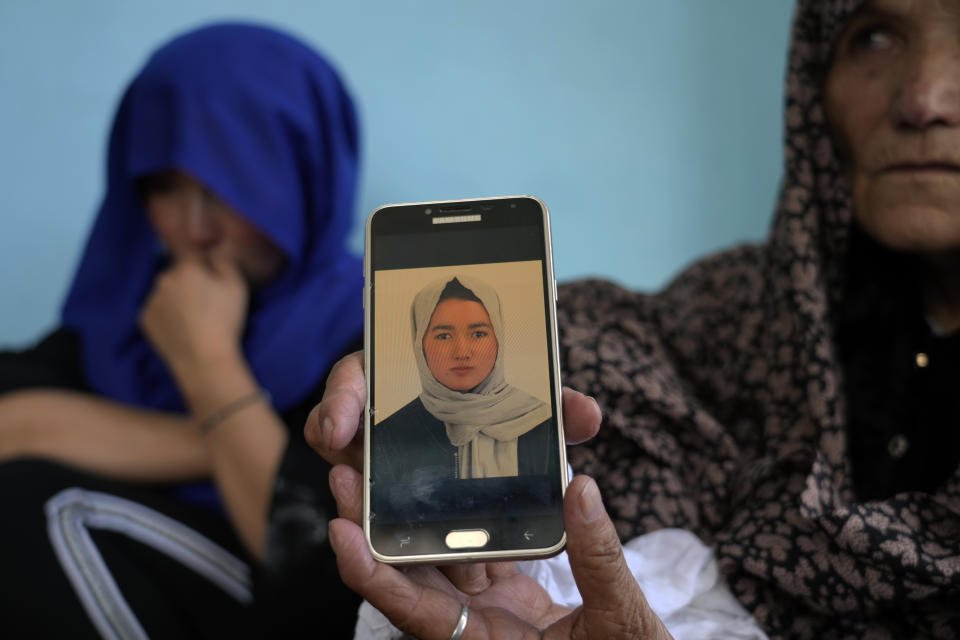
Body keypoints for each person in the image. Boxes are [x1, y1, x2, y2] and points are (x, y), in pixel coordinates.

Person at [306, 0, 960, 637]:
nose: (923, 99)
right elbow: (587, 339)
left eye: (480, 332)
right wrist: (405, 393)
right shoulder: (730, 310)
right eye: (873, 37)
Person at [0, 23, 363, 637]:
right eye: (166, 187)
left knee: (43, 507)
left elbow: (316, 568)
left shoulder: (374, 330)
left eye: (232, 185)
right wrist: (241, 439)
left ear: (305, 172)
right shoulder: (127, 320)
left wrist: (207, 361)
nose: (196, 230)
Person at [373, 275, 555, 490]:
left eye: (478, 334)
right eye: (443, 336)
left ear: (499, 339)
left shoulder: (540, 421)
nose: (462, 353)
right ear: (419, 344)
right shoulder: (390, 434)